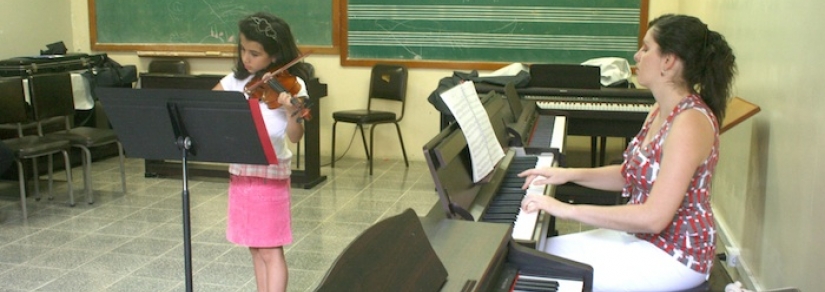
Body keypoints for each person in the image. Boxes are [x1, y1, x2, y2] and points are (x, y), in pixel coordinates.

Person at [518, 14, 736, 292]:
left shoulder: (690, 121)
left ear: (668, 62)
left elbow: (654, 217)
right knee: (533, 253)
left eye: (646, 48)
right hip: (643, 238)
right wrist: (565, 174)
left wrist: (567, 210)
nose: (637, 55)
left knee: (543, 273)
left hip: (676, 256)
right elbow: (628, 174)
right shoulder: (659, 109)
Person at [212, 12, 312, 292]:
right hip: (242, 174)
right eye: (243, 49)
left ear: (274, 55)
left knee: (271, 249)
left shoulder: (293, 86)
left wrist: (293, 112)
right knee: (255, 247)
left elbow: (295, 136)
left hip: (269, 176)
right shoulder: (237, 81)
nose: (246, 58)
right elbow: (210, 104)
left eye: (255, 53)